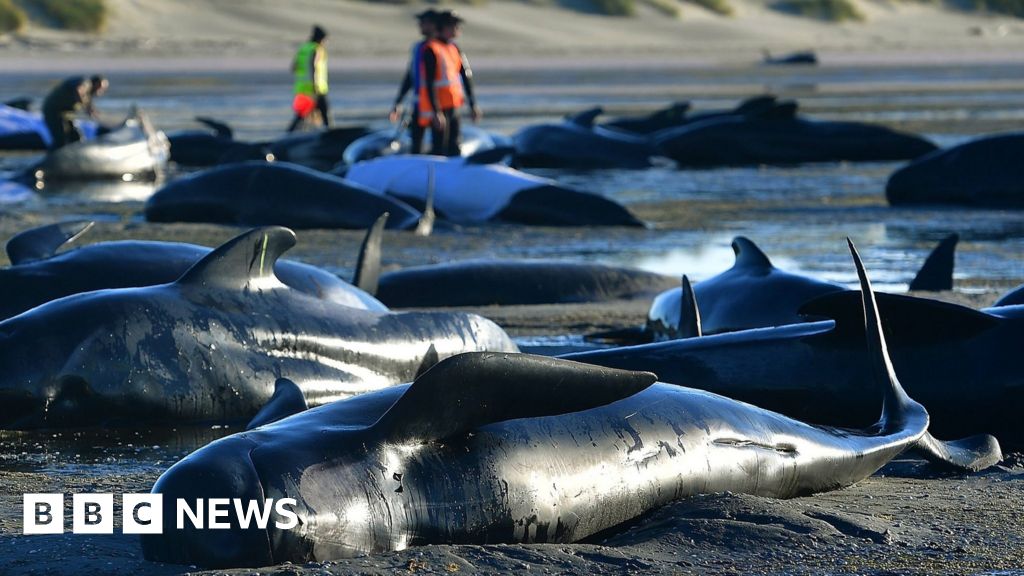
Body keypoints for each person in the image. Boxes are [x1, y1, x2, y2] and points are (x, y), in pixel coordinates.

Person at [418, 10, 480, 157]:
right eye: (454, 26)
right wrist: (436, 112)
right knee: (439, 147)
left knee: (454, 144)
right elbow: (429, 83)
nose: (458, 29)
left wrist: (473, 104)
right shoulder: (431, 49)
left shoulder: (454, 48)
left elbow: (465, 77)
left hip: (453, 106)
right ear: (443, 27)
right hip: (439, 109)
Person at [388, 9, 438, 154]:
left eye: (424, 23)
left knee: (439, 145)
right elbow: (410, 77)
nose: (420, 26)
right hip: (419, 105)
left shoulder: (439, 49)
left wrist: (436, 109)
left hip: (439, 106)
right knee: (416, 141)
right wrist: (398, 102)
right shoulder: (419, 48)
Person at [41, 75, 108, 150]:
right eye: (102, 87)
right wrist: (84, 105)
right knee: (60, 138)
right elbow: (77, 89)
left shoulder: (88, 94)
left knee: (76, 136)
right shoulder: (85, 83)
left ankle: (77, 155)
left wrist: (90, 109)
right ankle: (53, 158)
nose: (102, 90)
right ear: (96, 83)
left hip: (66, 114)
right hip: (53, 111)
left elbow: (87, 102)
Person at [288, 25, 330, 132]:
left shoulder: (303, 48)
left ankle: (288, 134)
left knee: (301, 116)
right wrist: (315, 84)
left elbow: (294, 67)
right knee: (325, 114)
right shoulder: (317, 49)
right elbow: (314, 66)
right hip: (315, 89)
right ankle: (330, 136)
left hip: (302, 89)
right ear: (320, 38)